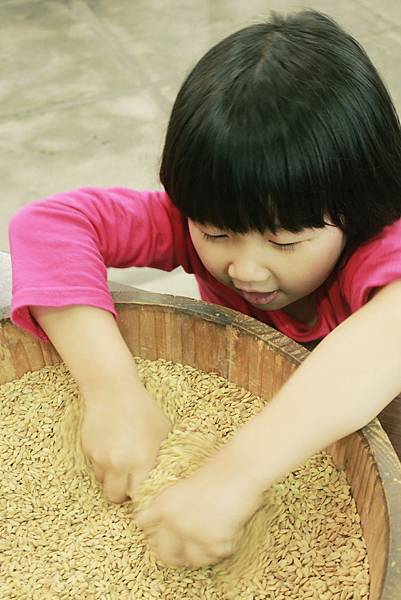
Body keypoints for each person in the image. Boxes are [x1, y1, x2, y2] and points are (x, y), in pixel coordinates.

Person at [8, 9, 401, 569]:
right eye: (215, 235)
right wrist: (113, 392)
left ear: (359, 210)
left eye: (285, 245)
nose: (246, 269)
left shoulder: (380, 242)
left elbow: (386, 340)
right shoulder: (196, 215)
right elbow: (45, 226)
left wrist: (234, 475)